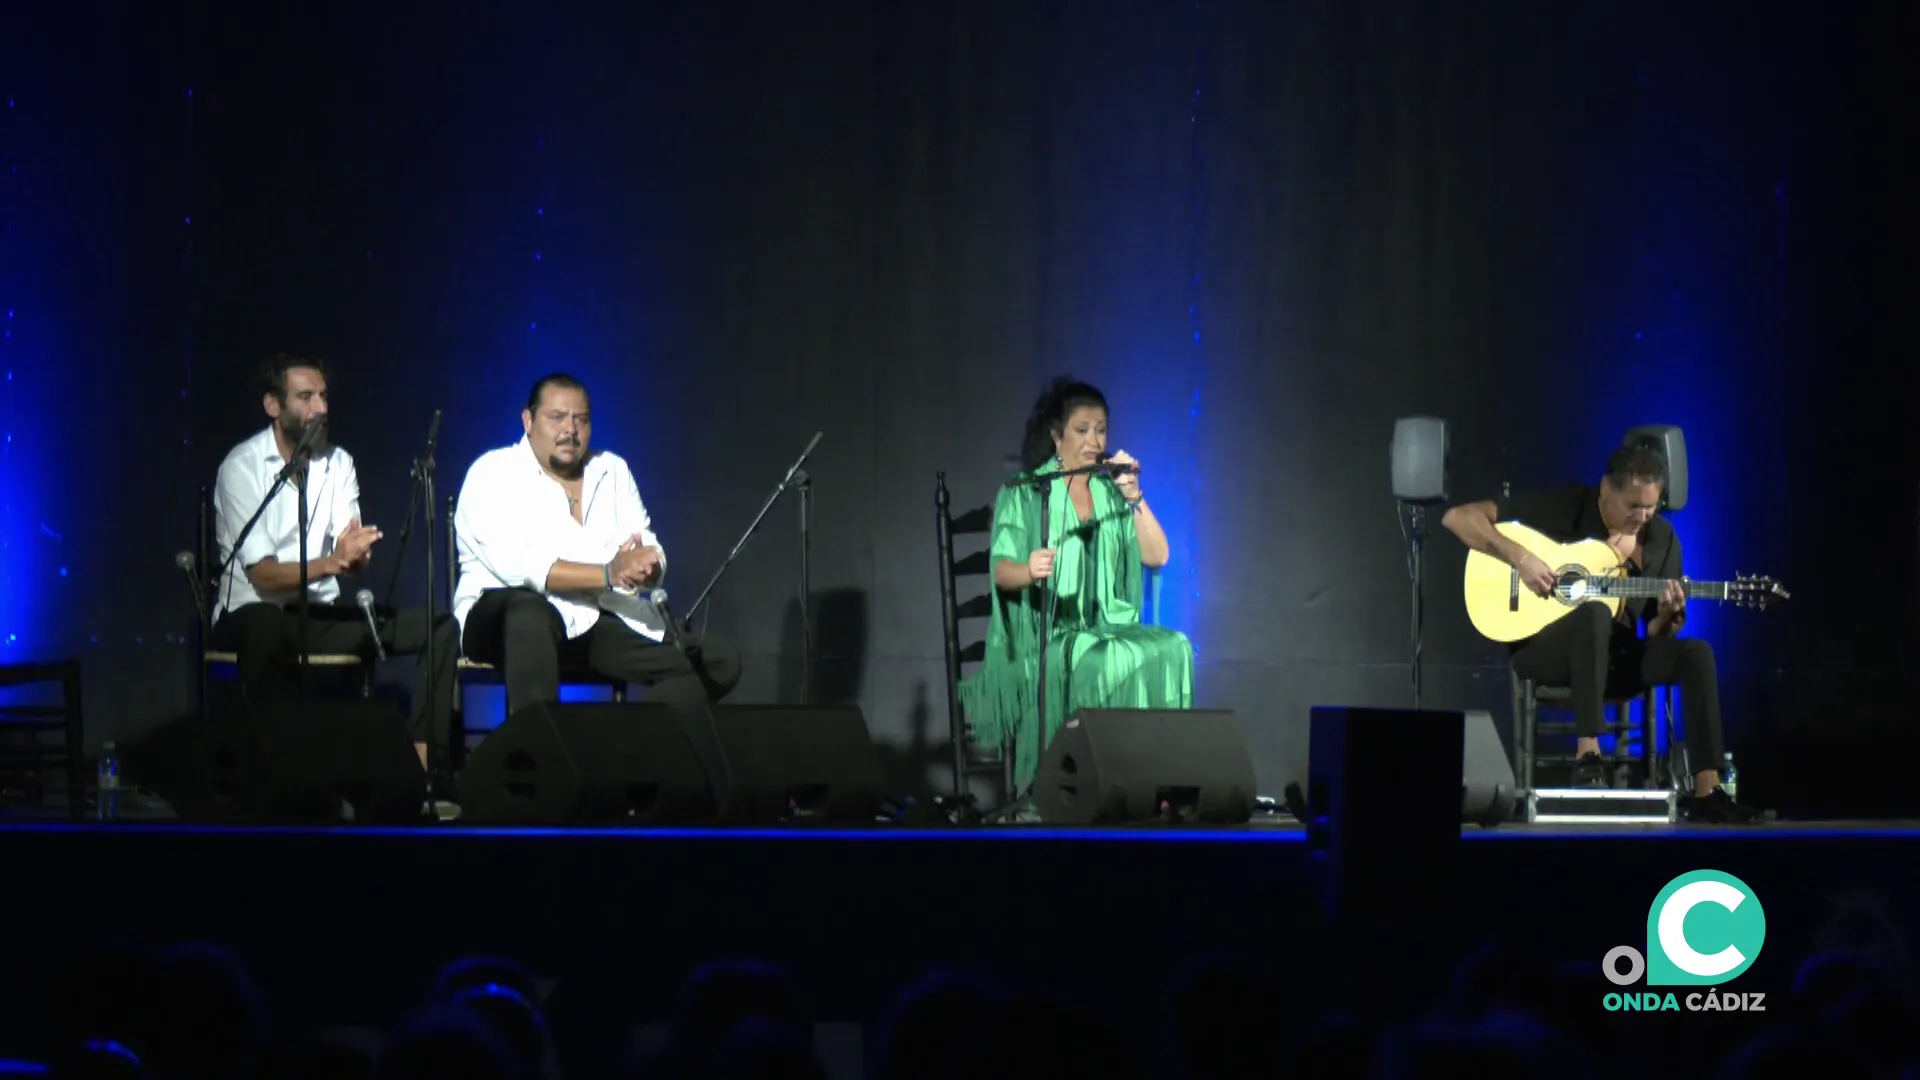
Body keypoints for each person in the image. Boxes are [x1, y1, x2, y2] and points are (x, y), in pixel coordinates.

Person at [1440, 444, 1766, 824]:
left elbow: (1656, 634)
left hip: (1617, 660)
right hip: (1549, 653)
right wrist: (1521, 558)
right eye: (1633, 506)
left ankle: (1708, 789)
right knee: (1593, 611)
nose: (1642, 517)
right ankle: (1589, 753)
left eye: (1651, 507)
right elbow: (1457, 518)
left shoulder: (1662, 542)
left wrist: (1668, 618)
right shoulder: (1569, 505)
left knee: (1697, 653)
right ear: (1606, 490)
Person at [452, 374, 742, 795]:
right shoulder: (492, 473)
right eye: (557, 417)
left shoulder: (613, 470)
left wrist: (648, 567)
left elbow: (647, 542)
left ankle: (621, 756)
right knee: (529, 610)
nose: (570, 429)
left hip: (591, 617)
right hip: (503, 618)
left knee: (717, 661)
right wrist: (610, 571)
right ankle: (537, 772)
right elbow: (523, 567)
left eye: (581, 419)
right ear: (527, 420)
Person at [211, 354, 459, 774]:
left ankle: (421, 766)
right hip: (254, 613)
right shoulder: (242, 467)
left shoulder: (338, 462)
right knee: (265, 628)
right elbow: (264, 576)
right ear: (274, 406)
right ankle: (274, 773)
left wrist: (355, 555)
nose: (321, 408)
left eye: (323, 396)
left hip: (318, 613)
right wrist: (334, 561)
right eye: (306, 397)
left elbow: (348, 549)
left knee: (439, 627)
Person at [959, 376, 1195, 796]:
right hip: (1051, 639)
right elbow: (1000, 570)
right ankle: (1096, 782)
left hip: (1105, 628)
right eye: (1082, 430)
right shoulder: (1029, 491)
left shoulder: (1109, 489)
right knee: (1109, 660)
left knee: (1173, 645)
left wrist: (1133, 495)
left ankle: (1148, 782)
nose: (1094, 440)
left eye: (1101, 429)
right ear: (1056, 435)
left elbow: (1158, 555)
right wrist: (1029, 569)